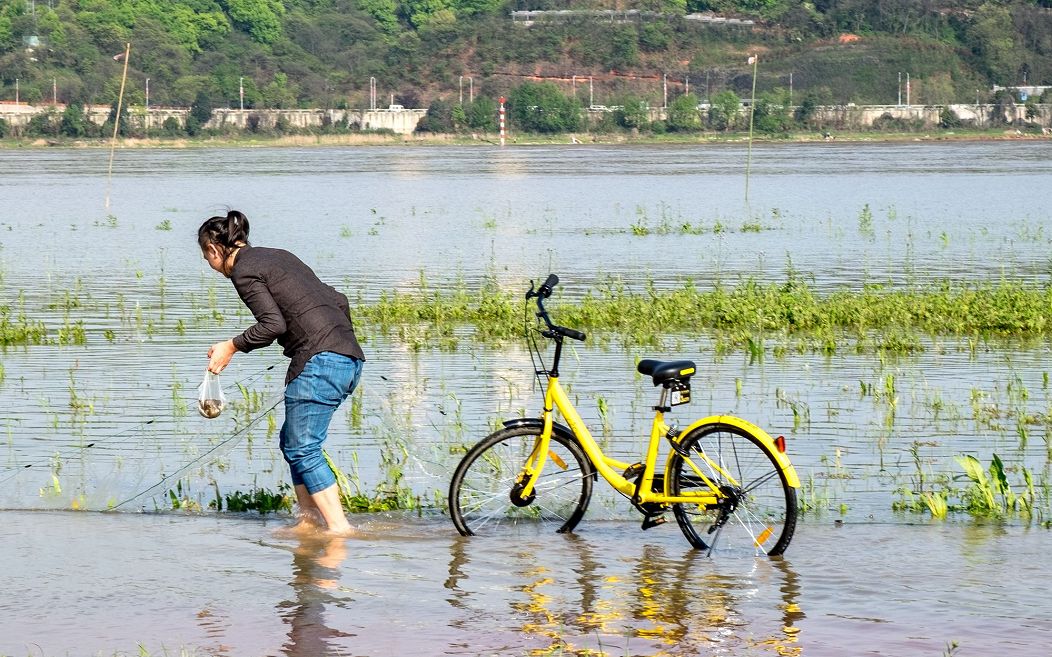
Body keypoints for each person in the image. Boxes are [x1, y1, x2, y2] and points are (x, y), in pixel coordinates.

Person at [198, 210, 365, 535]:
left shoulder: (243, 272)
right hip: (348, 358)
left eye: (205, 255)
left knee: (303, 448)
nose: (208, 262)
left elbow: (274, 325)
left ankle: (338, 530)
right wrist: (335, 341)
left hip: (320, 361)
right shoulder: (278, 256)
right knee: (293, 443)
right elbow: (339, 300)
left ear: (214, 250)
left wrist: (231, 346)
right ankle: (307, 521)